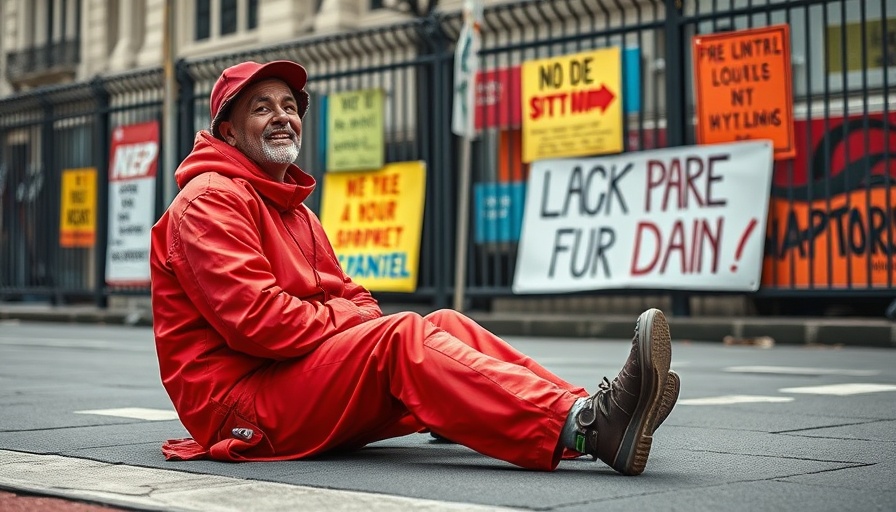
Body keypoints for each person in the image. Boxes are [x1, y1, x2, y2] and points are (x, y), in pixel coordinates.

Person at [149, 60, 679, 476]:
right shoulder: (210, 201)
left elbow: (355, 298)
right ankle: (585, 425)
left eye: (290, 106)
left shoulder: (295, 211)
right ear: (229, 133)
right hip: (241, 407)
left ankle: (593, 410)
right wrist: (353, 321)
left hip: (292, 379)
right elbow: (261, 323)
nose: (283, 116)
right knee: (401, 338)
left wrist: (350, 317)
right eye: (262, 108)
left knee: (442, 324)